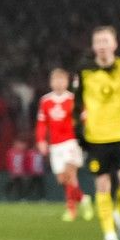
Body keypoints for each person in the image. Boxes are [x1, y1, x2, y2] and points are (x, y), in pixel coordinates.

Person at [74, 25, 120, 240]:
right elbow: (76, 104)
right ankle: (109, 233)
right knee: (103, 186)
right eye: (98, 42)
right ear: (93, 46)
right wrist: (78, 131)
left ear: (115, 44)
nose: (102, 46)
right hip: (96, 138)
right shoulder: (84, 71)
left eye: (106, 41)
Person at [33, 67, 85, 220]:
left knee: (70, 174)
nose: (59, 83)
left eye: (62, 80)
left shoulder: (73, 99)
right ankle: (83, 199)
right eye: (56, 80)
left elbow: (84, 118)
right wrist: (41, 140)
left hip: (71, 142)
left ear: (67, 82)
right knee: (62, 179)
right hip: (55, 145)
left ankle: (71, 209)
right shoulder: (45, 101)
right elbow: (42, 123)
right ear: (51, 83)